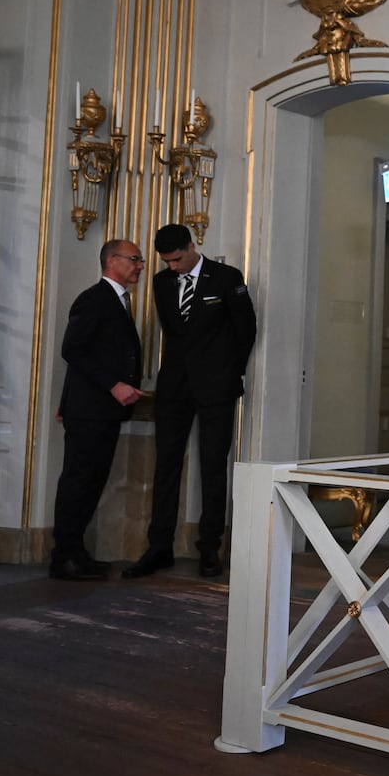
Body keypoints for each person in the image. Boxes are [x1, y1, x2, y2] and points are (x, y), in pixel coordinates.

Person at [123, 223, 257, 579]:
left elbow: (246, 329)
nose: (173, 267)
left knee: (212, 466)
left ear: (191, 246)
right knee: (166, 465)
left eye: (177, 259)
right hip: (174, 387)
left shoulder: (227, 277)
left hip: (217, 387)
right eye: (167, 261)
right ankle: (159, 547)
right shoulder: (161, 282)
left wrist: (230, 372)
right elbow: (174, 333)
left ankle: (210, 548)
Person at [51, 238, 145, 580]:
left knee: (92, 482)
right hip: (90, 409)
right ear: (112, 261)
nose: (140, 266)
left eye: (141, 260)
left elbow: (92, 354)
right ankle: (63, 557)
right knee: (78, 482)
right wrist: (114, 385)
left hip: (102, 410)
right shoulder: (94, 299)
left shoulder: (119, 301)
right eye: (134, 259)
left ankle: (77, 553)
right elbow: (72, 349)